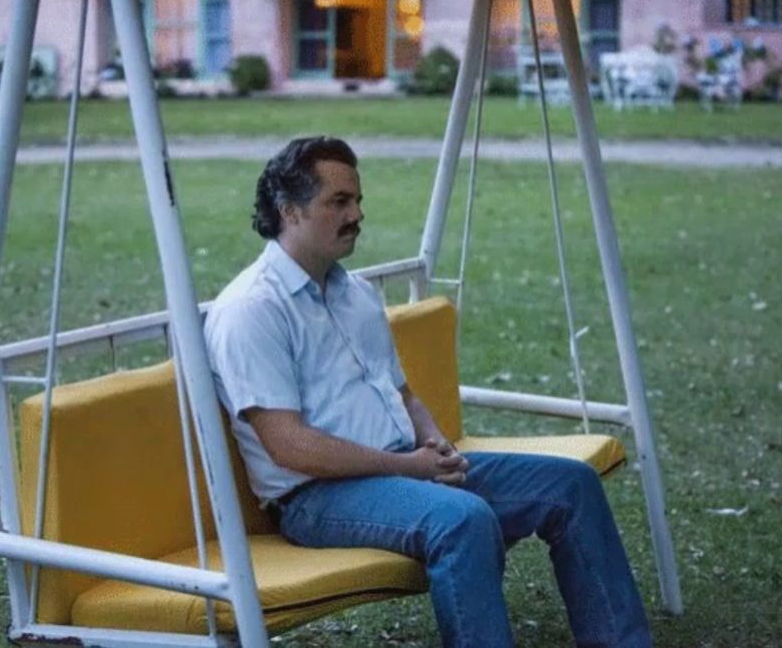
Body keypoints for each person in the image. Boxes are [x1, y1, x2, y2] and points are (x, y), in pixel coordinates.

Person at [204, 136, 651, 647]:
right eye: (339, 202)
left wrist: (436, 444)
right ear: (289, 210)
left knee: (570, 485)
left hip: (403, 467)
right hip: (316, 496)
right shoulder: (252, 309)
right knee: (463, 520)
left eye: (358, 200)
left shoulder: (353, 293)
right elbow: (289, 445)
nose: (357, 214)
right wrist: (410, 467)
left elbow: (404, 393)